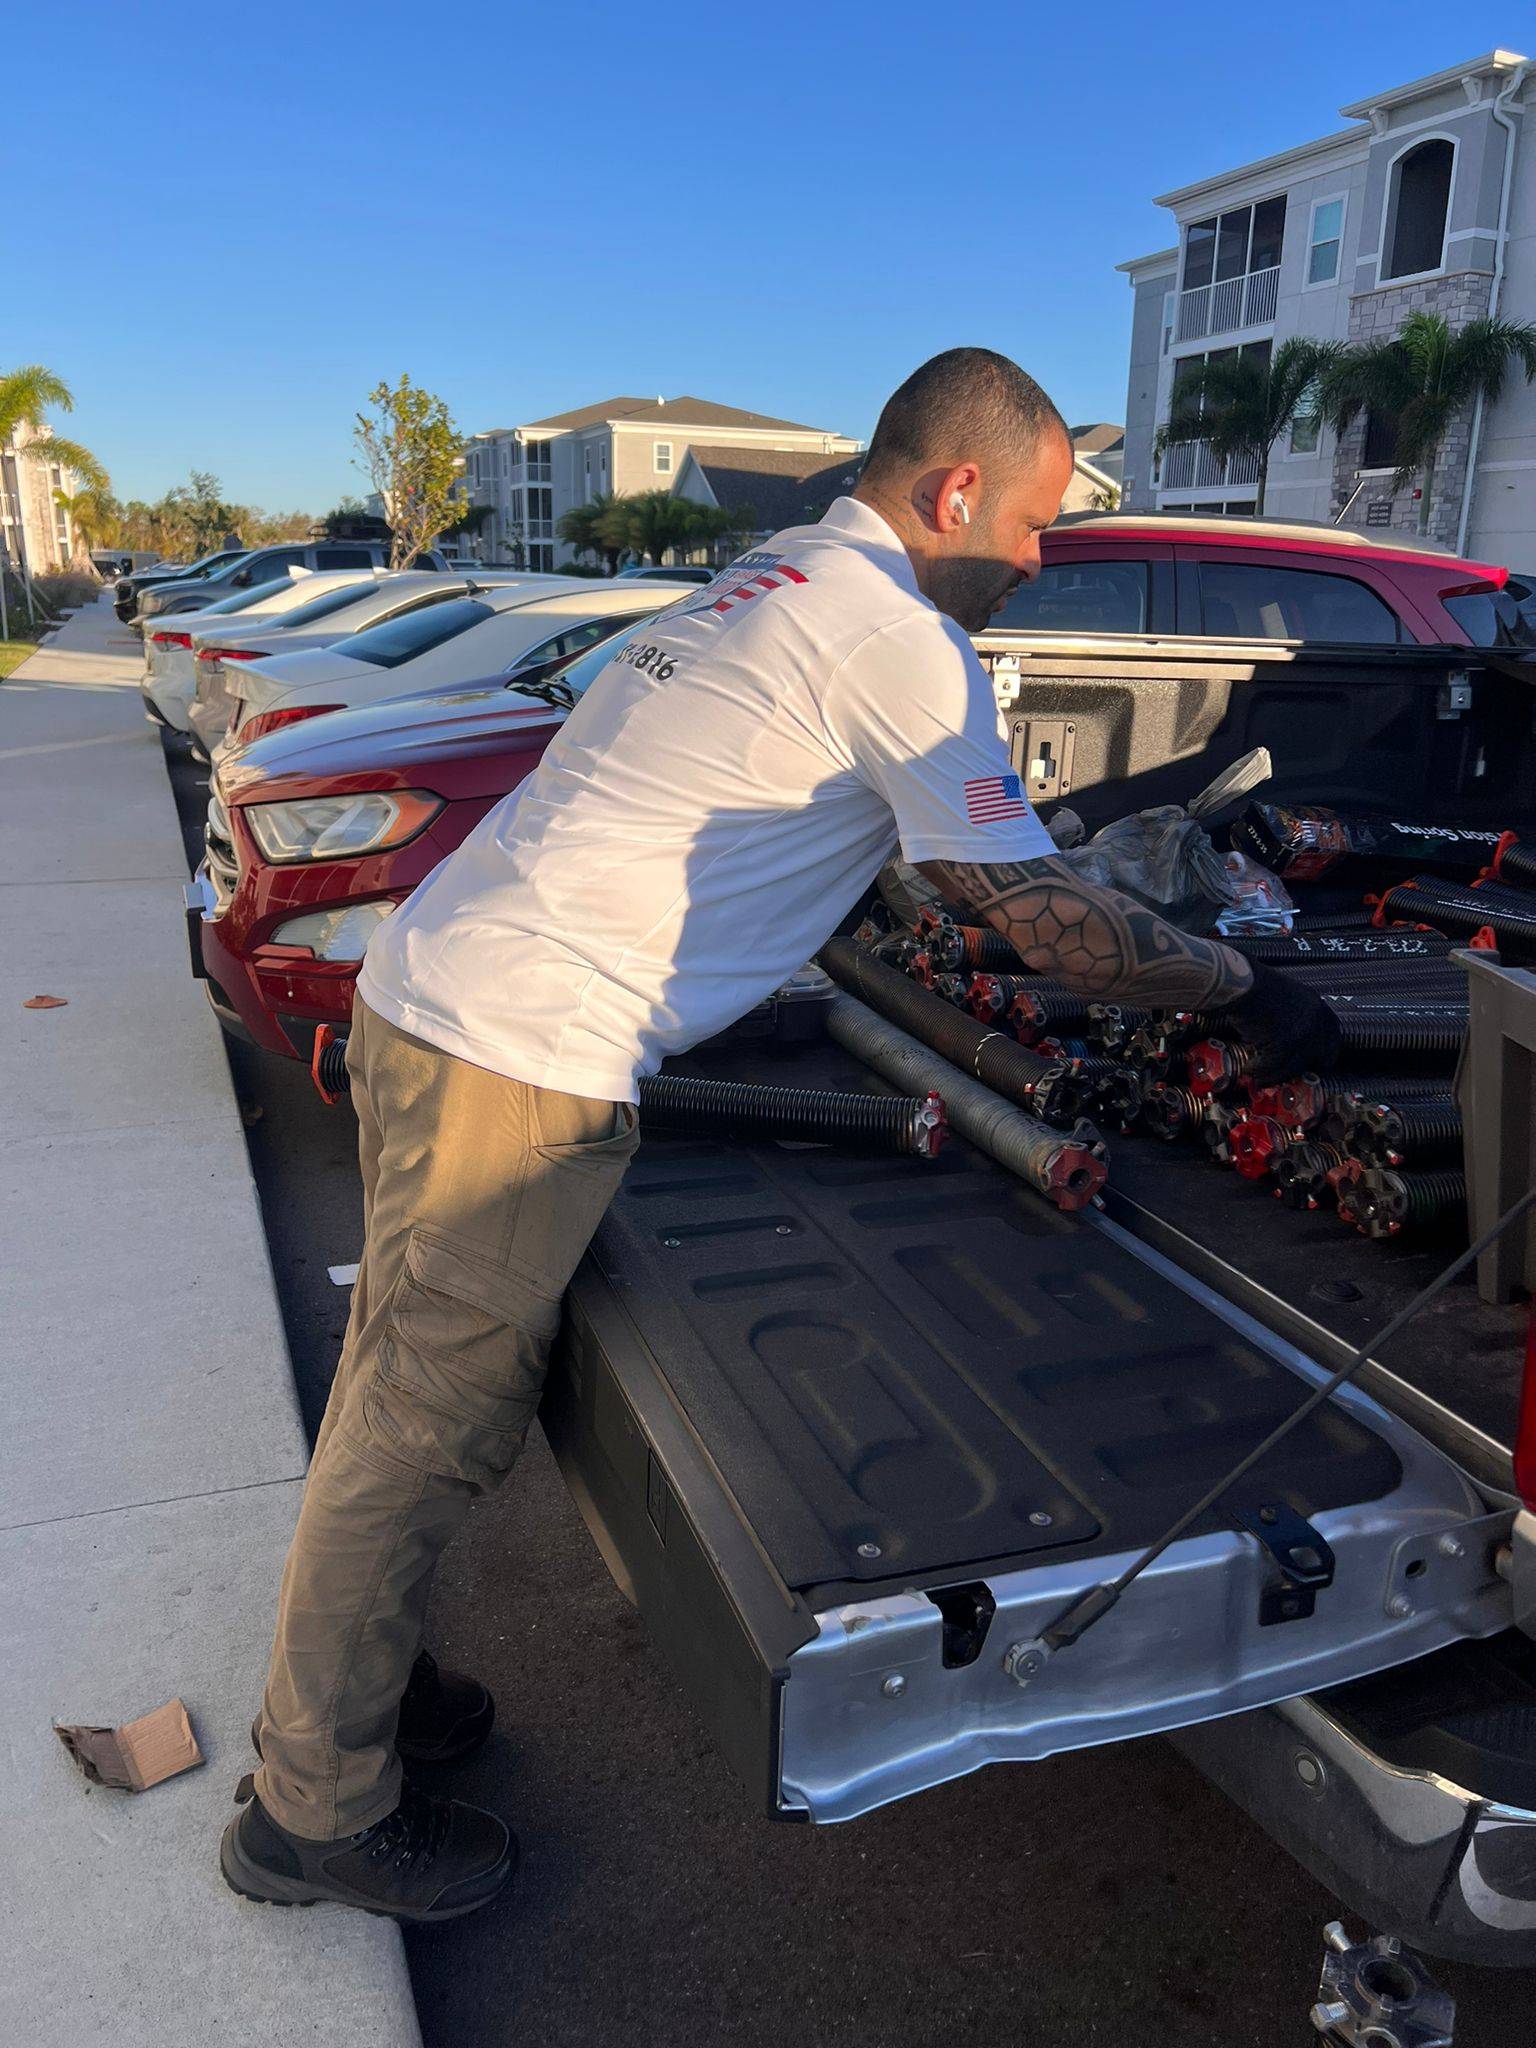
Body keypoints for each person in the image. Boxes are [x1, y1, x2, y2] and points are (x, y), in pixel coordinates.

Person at [221, 348, 1337, 1920]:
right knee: (419, 1427)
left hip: (437, 989)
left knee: (402, 1389)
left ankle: (357, 1693)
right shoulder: (893, 635)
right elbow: (1045, 930)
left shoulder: (779, 577)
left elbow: (841, 830)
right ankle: (312, 1810)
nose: (1036, 557)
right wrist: (1249, 987)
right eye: (1030, 525)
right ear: (955, 491)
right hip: (517, 1049)